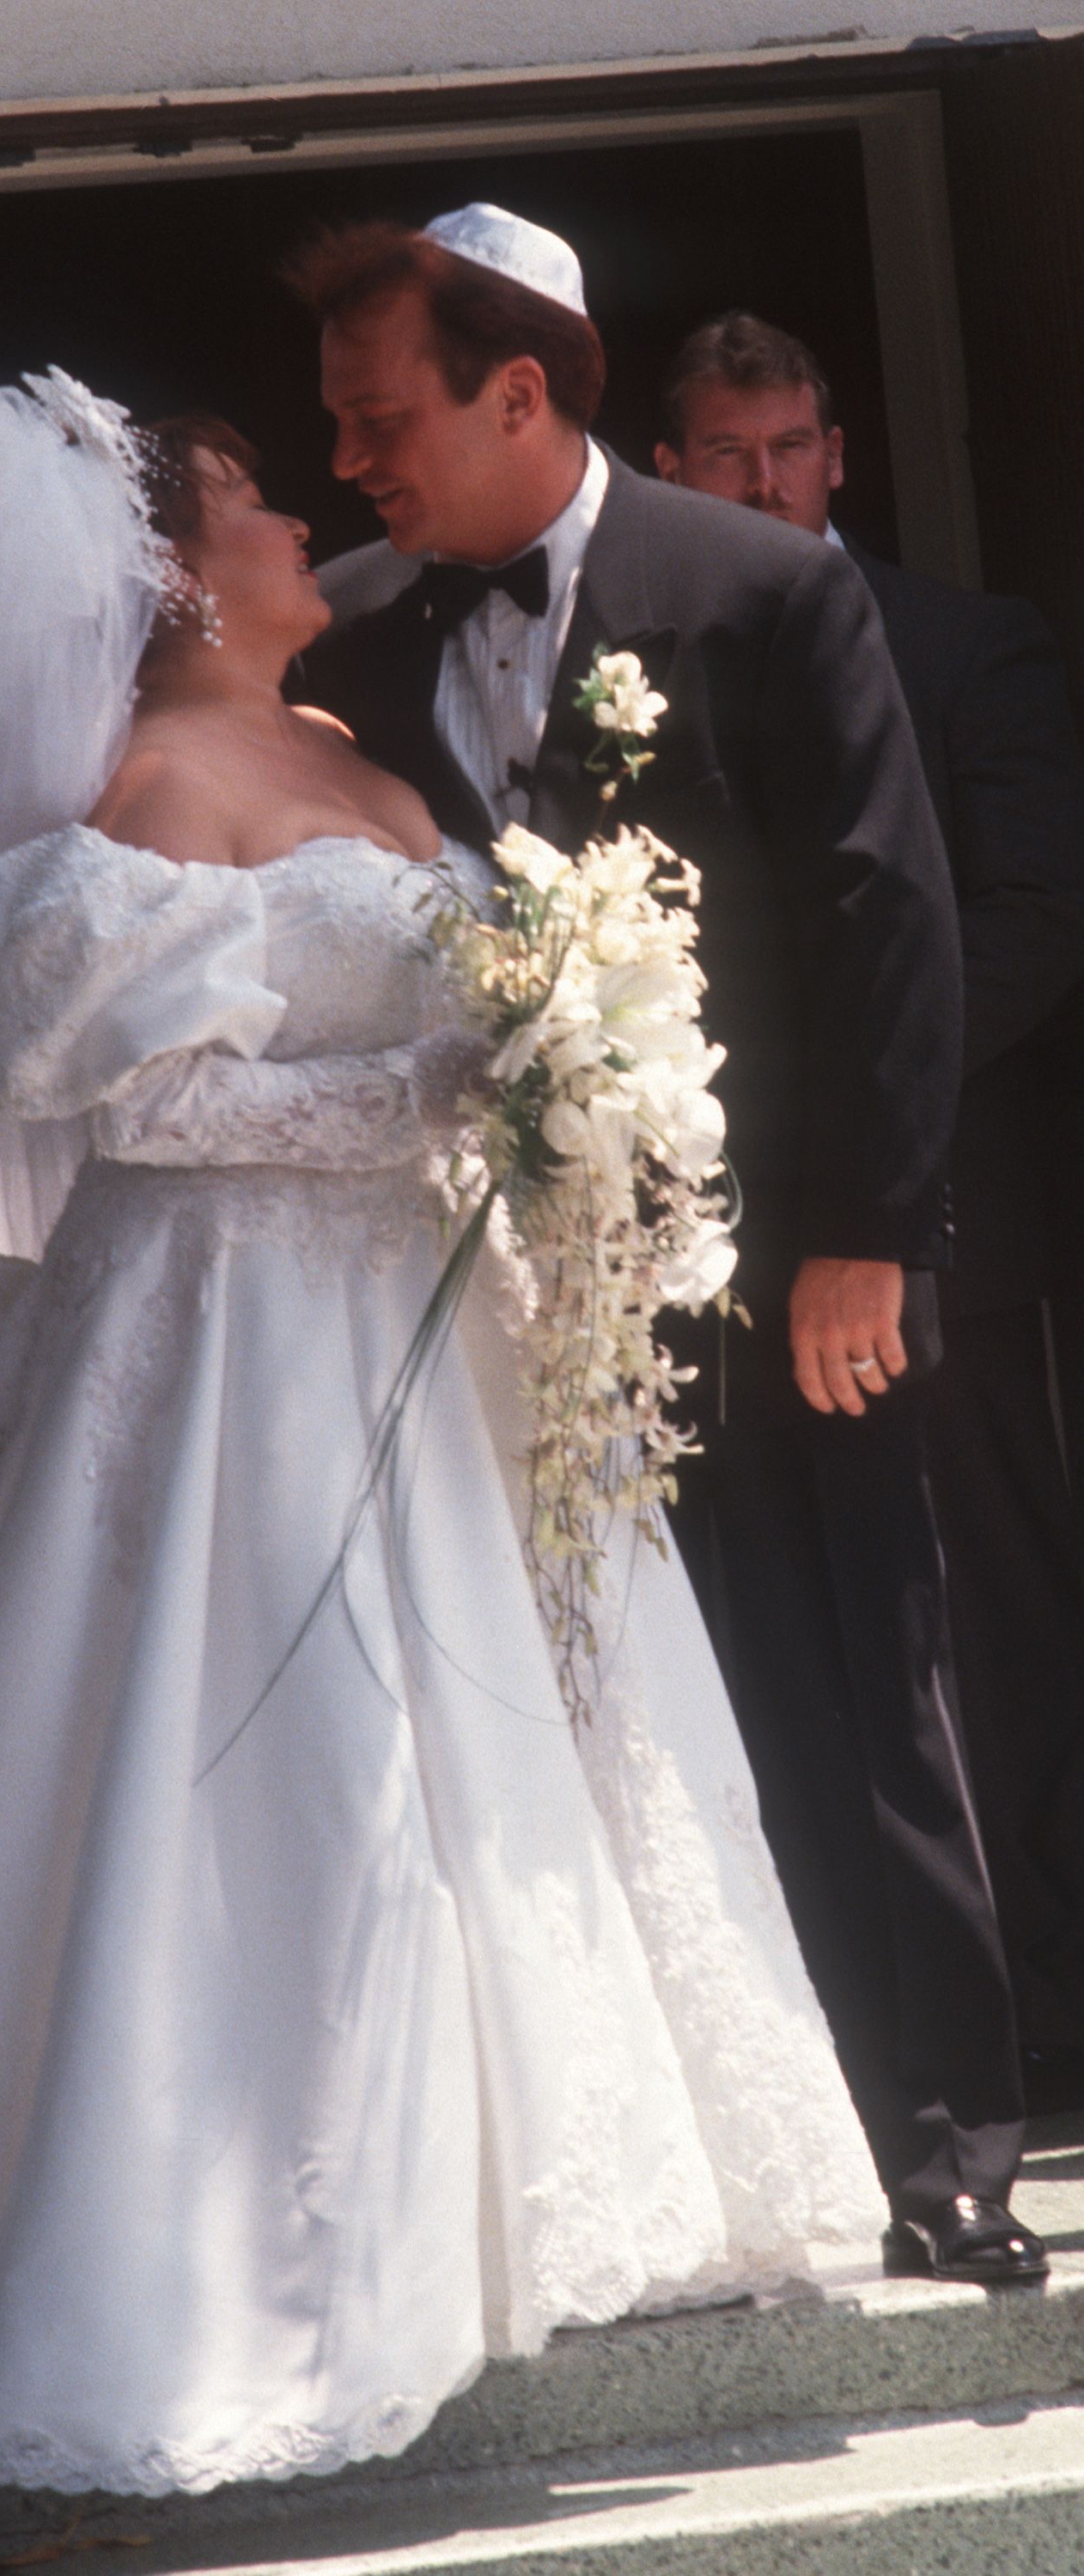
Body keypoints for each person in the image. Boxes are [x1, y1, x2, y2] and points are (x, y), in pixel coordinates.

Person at [0, 370, 882, 2484]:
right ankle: (253, 2228)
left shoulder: (348, 751)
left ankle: (556, 2175)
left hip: (436, 1344)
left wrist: (565, 1088)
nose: (300, 519)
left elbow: (452, 999)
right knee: (272, 1750)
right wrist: (457, 1101)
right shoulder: (134, 792)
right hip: (239, 1346)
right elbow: (135, 1108)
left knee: (505, 1746)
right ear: (173, 573)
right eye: (253, 502)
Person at [292, 204, 1044, 2281]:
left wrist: (872, 1232)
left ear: (516, 393)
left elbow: (895, 918)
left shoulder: (767, 587)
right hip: (493, 1295)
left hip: (780, 1261)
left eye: (379, 419)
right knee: (584, 1713)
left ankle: (941, 2142)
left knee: (856, 1680)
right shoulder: (346, 637)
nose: (350, 459)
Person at [655, 311, 1084, 2102]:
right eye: (731, 456)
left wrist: (849, 1135)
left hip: (943, 1245)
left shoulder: (971, 647)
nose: (768, 484)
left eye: (796, 448)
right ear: (671, 468)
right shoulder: (640, 650)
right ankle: (858, 2033)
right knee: (768, 1644)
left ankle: (1048, 2022)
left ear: (838, 451)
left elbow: (1033, 923)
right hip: (693, 1249)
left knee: (983, 1628)